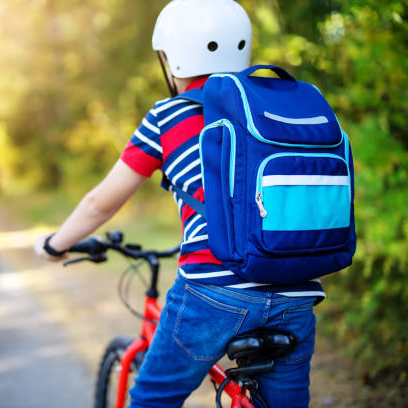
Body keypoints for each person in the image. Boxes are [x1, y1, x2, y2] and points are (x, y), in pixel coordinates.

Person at [34, 1, 321, 406]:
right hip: (298, 290)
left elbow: (102, 202)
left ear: (174, 60)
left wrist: (54, 244)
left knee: (153, 398)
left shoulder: (169, 115)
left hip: (214, 291)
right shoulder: (278, 107)